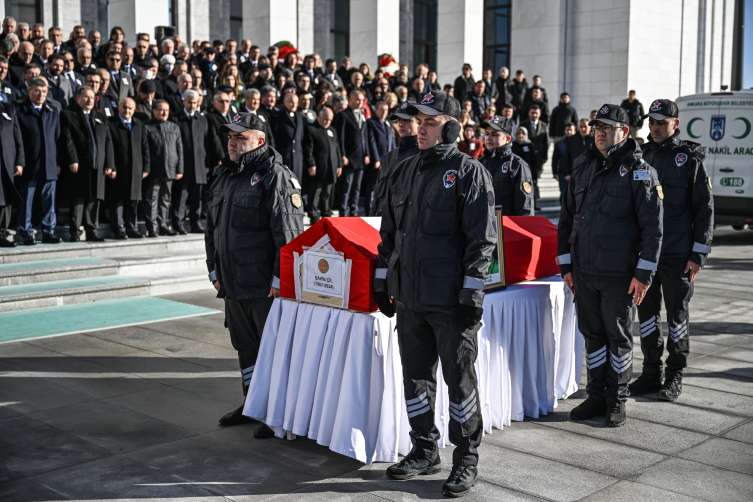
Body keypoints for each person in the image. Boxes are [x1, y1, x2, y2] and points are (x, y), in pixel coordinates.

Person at [373, 91, 495, 498]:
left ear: (451, 125)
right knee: (416, 380)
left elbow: (482, 243)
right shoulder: (404, 171)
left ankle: (466, 459)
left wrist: (471, 295)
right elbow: (388, 234)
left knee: (459, 383)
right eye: (417, 121)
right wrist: (380, 280)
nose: (419, 128)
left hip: (450, 304)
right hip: (410, 300)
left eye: (428, 121)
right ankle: (424, 449)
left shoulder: (469, 172)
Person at [557, 104, 663, 427]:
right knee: (593, 335)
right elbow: (566, 220)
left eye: (607, 127)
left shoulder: (640, 170)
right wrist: (566, 266)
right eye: (596, 127)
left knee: (617, 338)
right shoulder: (583, 166)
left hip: (620, 276)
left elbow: (653, 229)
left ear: (624, 132)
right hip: (585, 272)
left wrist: (643, 275)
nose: (600, 132)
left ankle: (617, 398)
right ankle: (597, 394)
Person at [206, 112, 304, 437]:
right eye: (230, 137)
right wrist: (213, 269)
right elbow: (212, 229)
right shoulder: (224, 174)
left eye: (240, 137)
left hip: (265, 288)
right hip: (233, 284)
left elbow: (288, 236)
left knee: (272, 352)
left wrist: (281, 280)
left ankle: (277, 414)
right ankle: (253, 405)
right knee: (246, 350)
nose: (232, 142)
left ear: (259, 140)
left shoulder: (275, 175)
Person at [629, 99, 713, 401]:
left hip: (678, 255)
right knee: (648, 317)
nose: (654, 128)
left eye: (661, 123)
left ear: (675, 124)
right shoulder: (642, 156)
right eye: (651, 122)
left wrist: (698, 255)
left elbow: (704, 208)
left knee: (677, 317)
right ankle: (651, 373)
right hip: (648, 257)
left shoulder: (689, 158)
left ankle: (675, 376)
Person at [58, 86, 114, 242]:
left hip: (98, 164)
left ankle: (91, 231)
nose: (89, 100)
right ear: (78, 99)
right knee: (78, 199)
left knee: (94, 199)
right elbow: (67, 139)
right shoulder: (68, 115)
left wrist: (109, 163)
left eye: (92, 97)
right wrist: (72, 159)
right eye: (86, 97)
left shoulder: (101, 117)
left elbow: (108, 142)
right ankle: (75, 232)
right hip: (79, 164)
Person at [15, 77, 61, 245]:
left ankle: (48, 232)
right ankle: (26, 232)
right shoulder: (19, 110)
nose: (41, 94)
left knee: (49, 202)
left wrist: (58, 162)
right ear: (29, 91)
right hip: (29, 164)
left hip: (49, 164)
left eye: (44, 92)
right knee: (26, 201)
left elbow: (57, 138)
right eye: (37, 91)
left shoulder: (52, 110)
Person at [172, 89, 222, 234]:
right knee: (181, 196)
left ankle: (195, 223)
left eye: (195, 102)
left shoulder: (202, 119)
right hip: (183, 163)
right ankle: (178, 222)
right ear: (184, 102)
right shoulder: (176, 118)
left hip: (200, 164)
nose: (192, 105)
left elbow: (206, 143)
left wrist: (207, 164)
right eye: (189, 102)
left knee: (197, 196)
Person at [107, 97, 150, 239]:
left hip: (135, 169)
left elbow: (145, 148)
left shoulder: (138, 124)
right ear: (118, 108)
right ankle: (118, 228)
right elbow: (109, 147)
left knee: (133, 201)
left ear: (134, 110)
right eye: (124, 107)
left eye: (130, 108)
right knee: (118, 200)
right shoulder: (111, 124)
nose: (127, 110)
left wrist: (146, 167)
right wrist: (111, 166)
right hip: (118, 169)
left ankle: (132, 228)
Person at [370, 100, 420, 217]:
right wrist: (372, 218)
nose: (401, 124)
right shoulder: (389, 157)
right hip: (383, 225)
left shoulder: (424, 157)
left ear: (419, 123)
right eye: (399, 120)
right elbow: (377, 196)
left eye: (407, 120)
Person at [143, 99, 183, 237]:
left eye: (167, 110)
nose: (165, 112)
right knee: (151, 199)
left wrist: (180, 169)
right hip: (154, 169)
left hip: (170, 169)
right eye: (161, 110)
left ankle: (164, 225)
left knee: (165, 199)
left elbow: (179, 149)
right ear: (154, 111)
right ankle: (152, 228)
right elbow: (144, 149)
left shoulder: (174, 127)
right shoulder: (146, 126)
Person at [479, 116, 534, 215]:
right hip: (481, 228)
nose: (489, 137)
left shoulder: (517, 165)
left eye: (495, 134)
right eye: (487, 134)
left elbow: (525, 208)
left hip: (506, 228)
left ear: (507, 139)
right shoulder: (478, 165)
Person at [333, 88, 370, 216]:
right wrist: (342, 155)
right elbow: (340, 137)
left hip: (360, 157)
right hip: (349, 157)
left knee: (357, 188)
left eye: (361, 100)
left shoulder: (363, 116)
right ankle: (343, 212)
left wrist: (367, 154)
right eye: (357, 99)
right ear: (350, 99)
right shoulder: (343, 115)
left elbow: (365, 137)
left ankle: (354, 212)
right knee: (346, 187)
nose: (360, 102)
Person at [302, 107, 341, 223]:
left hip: (331, 167)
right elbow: (308, 149)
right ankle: (313, 215)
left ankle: (326, 213)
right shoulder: (311, 129)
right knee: (316, 192)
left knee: (328, 192)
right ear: (319, 116)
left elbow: (337, 149)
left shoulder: (332, 130)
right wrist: (311, 164)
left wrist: (339, 165)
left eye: (330, 120)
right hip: (318, 167)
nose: (327, 122)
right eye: (325, 119)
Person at [364, 100, 395, 216]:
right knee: (372, 188)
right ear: (376, 110)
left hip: (388, 161)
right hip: (376, 162)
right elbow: (371, 142)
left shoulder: (388, 122)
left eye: (386, 110)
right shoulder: (371, 123)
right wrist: (376, 159)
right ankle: (369, 212)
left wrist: (395, 157)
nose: (384, 112)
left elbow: (391, 142)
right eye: (381, 109)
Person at [0, 95, 23, 247]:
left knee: (5, 197)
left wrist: (20, 162)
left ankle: (2, 233)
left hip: (6, 162)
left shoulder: (8, 108)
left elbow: (17, 136)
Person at [269, 92, 305, 181]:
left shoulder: (300, 117)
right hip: (283, 157)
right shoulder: (276, 116)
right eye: (292, 102)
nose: (294, 105)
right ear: (285, 102)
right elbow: (274, 139)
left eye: (296, 103)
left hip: (297, 159)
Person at [522, 104, 548, 210]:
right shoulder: (524, 124)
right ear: (529, 113)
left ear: (540, 114)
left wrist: (544, 156)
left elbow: (545, 143)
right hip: (526, 158)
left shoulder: (543, 125)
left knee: (535, 181)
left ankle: (534, 203)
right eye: (532, 113)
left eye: (536, 113)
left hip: (537, 159)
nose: (534, 115)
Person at [552, 123, 576, 205]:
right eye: (567, 130)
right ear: (565, 131)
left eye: (571, 130)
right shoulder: (559, 144)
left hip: (575, 173)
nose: (569, 132)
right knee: (564, 193)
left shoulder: (578, 144)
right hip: (563, 173)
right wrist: (555, 172)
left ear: (574, 131)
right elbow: (555, 159)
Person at [563, 119, 593, 183]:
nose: (583, 129)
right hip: (574, 174)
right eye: (581, 127)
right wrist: (566, 173)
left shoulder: (594, 140)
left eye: (585, 127)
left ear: (590, 127)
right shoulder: (571, 139)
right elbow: (566, 157)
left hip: (590, 175)